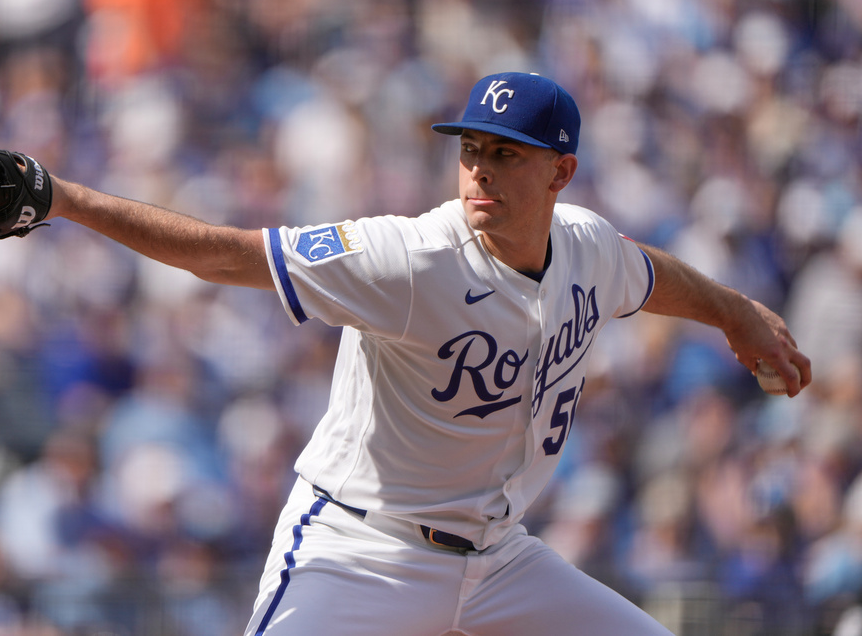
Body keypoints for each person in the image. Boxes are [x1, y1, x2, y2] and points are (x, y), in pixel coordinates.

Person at [42, 72, 811, 635]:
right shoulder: (410, 258)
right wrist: (63, 199)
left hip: (500, 558)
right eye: (471, 149)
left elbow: (649, 274)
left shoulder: (587, 247)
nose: (480, 168)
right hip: (361, 549)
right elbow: (226, 257)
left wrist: (734, 312)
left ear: (560, 172)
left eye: (507, 154)